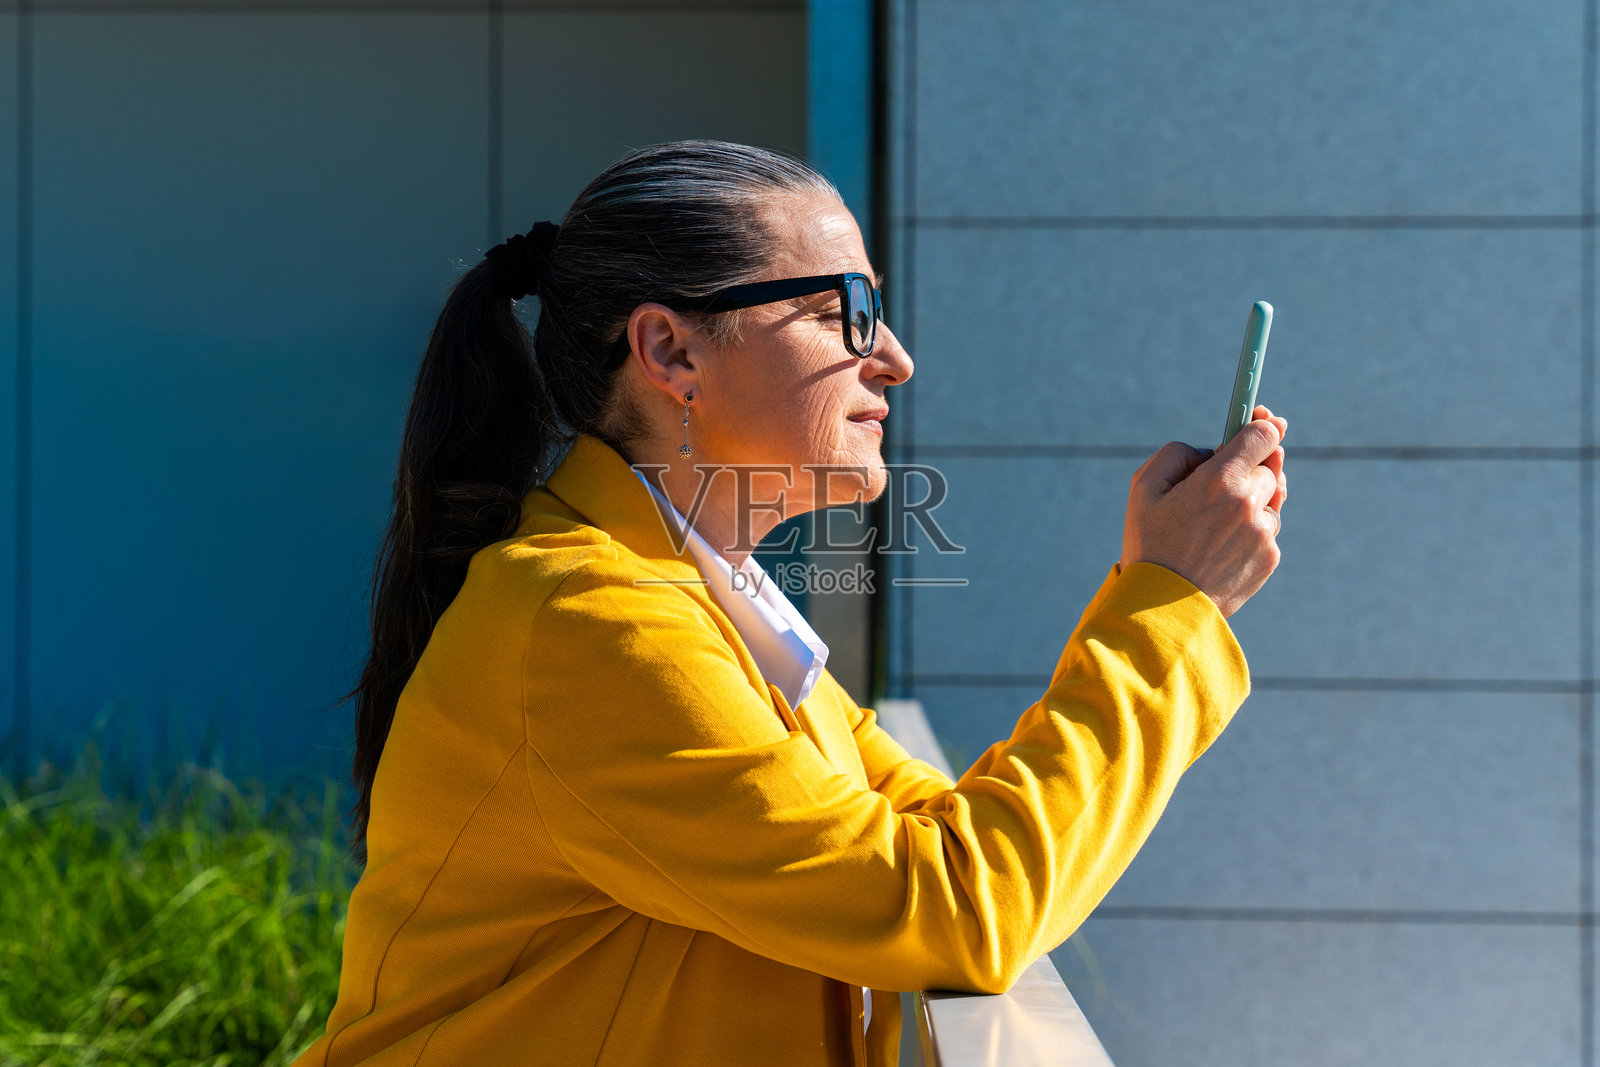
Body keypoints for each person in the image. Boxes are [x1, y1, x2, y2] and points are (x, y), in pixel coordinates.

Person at [294, 139, 1287, 1067]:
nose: (893, 357)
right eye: (842, 311)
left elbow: (938, 836)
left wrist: (1170, 599)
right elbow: (952, 907)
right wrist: (1169, 607)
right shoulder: (590, 626)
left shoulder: (697, 602)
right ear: (671, 353)